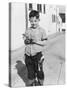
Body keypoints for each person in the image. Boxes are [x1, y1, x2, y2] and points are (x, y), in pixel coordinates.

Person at [23, 10, 47, 86]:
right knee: (30, 73)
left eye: (35, 21)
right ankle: (32, 83)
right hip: (28, 56)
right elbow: (25, 42)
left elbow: (44, 42)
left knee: (39, 72)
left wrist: (36, 41)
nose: (33, 23)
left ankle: (40, 83)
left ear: (39, 20)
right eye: (31, 21)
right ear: (29, 21)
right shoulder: (28, 30)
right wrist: (25, 39)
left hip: (37, 56)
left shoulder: (42, 30)